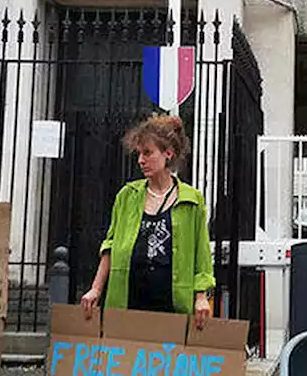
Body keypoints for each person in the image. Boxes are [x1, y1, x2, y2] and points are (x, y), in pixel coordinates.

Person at [80, 115, 214, 328]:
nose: (141, 160)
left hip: (172, 307)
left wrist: (201, 296)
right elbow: (110, 245)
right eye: (139, 153)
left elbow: (202, 255)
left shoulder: (191, 200)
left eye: (148, 153)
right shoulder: (127, 196)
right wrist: (96, 288)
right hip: (129, 302)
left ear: (168, 154)